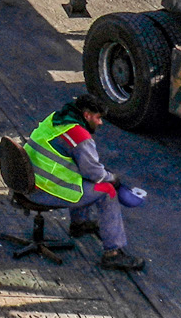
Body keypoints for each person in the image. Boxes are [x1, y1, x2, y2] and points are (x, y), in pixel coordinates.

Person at [24, 93, 147, 271]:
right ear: (87, 115)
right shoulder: (79, 135)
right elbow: (94, 172)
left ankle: (79, 224)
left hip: (31, 180)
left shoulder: (56, 118)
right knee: (108, 191)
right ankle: (113, 254)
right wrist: (114, 180)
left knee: (80, 176)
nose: (100, 123)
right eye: (98, 118)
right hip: (44, 189)